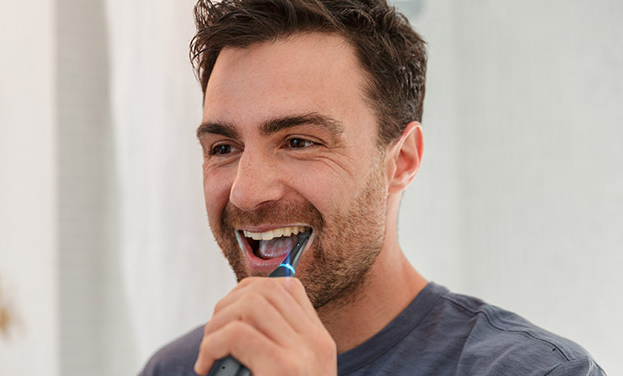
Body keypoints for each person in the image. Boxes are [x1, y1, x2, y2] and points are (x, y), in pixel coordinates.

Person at [141, 0, 606, 375]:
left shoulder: (535, 372)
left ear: (402, 160)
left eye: (299, 142)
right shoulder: (178, 368)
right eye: (223, 148)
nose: (246, 193)